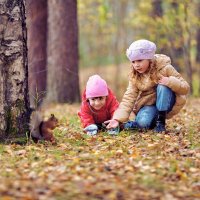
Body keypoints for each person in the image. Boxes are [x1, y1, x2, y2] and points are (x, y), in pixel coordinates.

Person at [105, 39, 190, 133]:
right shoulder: (135, 76)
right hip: (149, 106)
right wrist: (117, 119)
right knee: (142, 123)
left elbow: (185, 88)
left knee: (163, 86)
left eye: (140, 60)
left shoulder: (165, 68)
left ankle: (161, 122)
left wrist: (170, 82)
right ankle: (151, 121)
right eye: (133, 62)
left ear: (149, 58)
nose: (136, 65)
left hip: (167, 102)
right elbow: (129, 98)